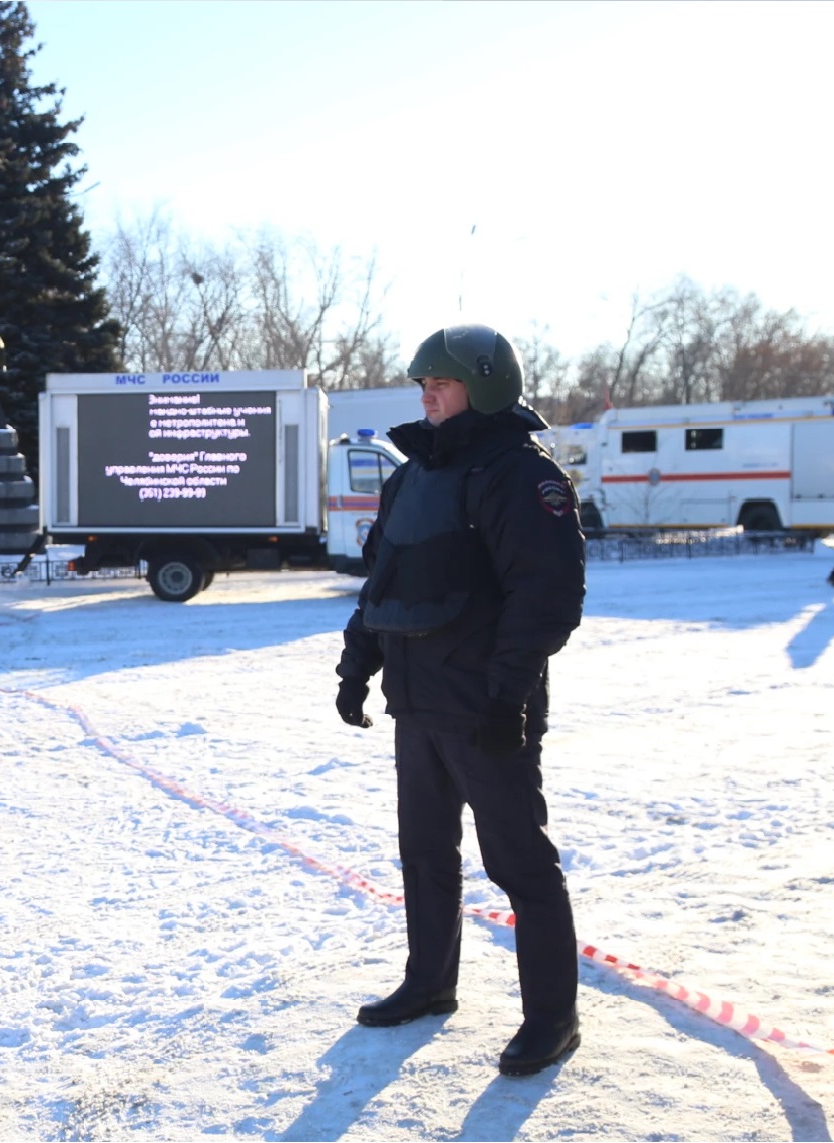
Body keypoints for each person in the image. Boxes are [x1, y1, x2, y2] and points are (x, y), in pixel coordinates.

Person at [333, 325, 587, 1078]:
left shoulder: (517, 474)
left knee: (519, 862)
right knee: (424, 852)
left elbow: (546, 595)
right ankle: (429, 980)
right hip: (417, 702)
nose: (426, 397)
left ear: (484, 385)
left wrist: (508, 695)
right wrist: (357, 666)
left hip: (485, 706)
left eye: (439, 384)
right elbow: (384, 582)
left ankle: (552, 1017)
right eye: (422, 386)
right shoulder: (412, 477)